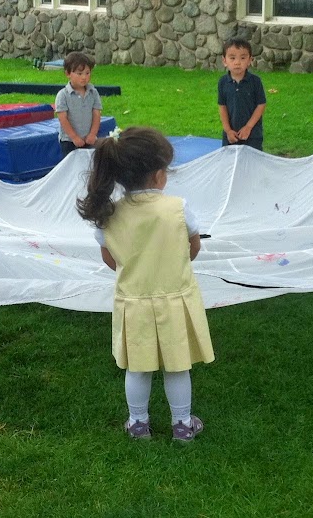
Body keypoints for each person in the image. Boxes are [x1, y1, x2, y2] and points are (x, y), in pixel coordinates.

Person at [77, 127, 214, 442]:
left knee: (137, 366)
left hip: (134, 300)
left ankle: (138, 424)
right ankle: (182, 425)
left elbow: (110, 259)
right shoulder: (177, 208)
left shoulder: (109, 214)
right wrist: (173, 263)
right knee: (177, 365)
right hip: (175, 298)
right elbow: (193, 247)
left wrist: (135, 269)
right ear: (158, 175)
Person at [218, 38, 267, 151]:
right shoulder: (223, 82)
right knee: (230, 163)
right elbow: (222, 106)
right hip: (231, 136)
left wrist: (248, 127)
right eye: (232, 58)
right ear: (224, 61)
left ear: (250, 60)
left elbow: (261, 105)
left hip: (252, 135)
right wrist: (228, 130)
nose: (237, 62)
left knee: (252, 163)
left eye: (243, 58)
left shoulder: (255, 81)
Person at [55, 51, 102, 157]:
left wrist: (92, 134)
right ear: (68, 74)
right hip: (69, 141)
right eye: (79, 74)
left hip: (89, 139)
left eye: (87, 73)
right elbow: (63, 118)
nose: (84, 77)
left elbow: (96, 114)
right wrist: (74, 137)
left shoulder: (93, 92)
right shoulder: (63, 95)